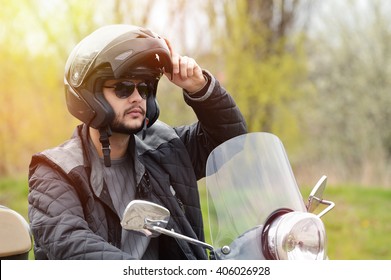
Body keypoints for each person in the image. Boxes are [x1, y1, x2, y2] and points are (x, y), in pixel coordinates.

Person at [27, 24, 247, 260]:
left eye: (144, 88)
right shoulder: (55, 170)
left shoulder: (165, 148)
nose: (137, 98)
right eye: (122, 88)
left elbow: (230, 140)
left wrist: (199, 87)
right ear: (89, 95)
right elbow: (69, 243)